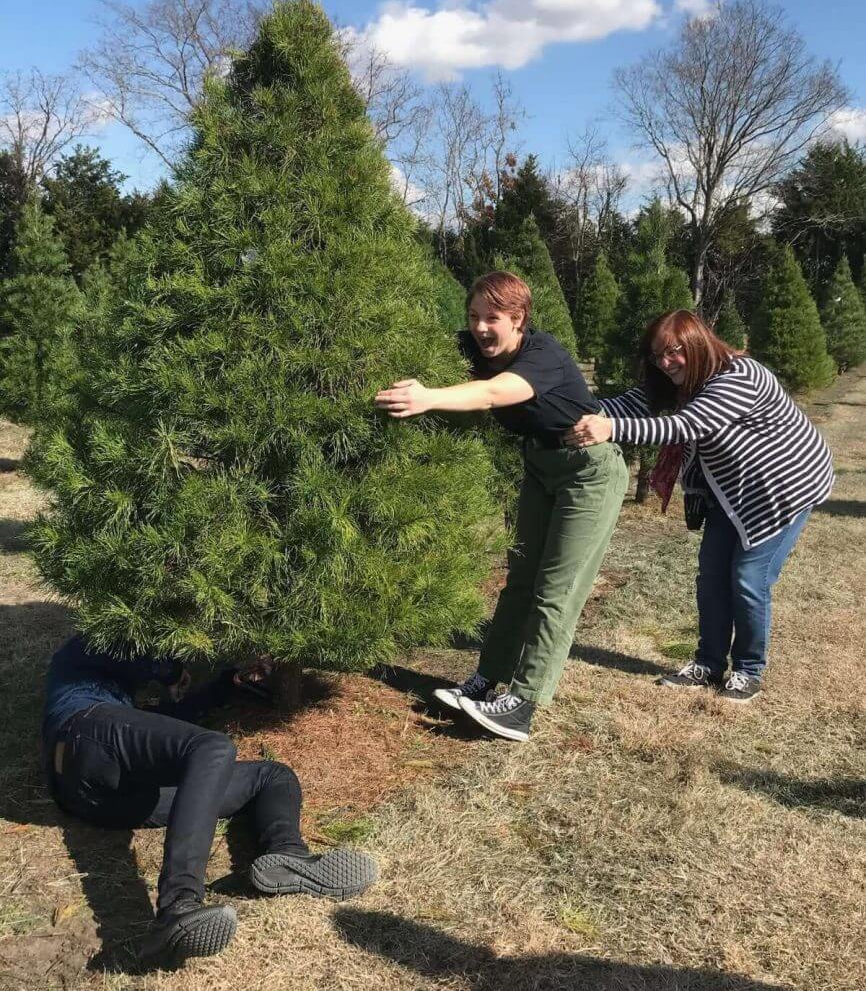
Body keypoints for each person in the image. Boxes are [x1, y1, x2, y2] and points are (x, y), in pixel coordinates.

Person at [375, 271, 628, 741]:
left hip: (588, 472)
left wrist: (428, 399)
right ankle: (486, 680)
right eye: (473, 316)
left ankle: (524, 703)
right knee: (519, 581)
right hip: (540, 465)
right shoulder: (474, 344)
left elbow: (494, 393)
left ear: (519, 319)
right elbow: (423, 346)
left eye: (493, 318)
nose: (480, 328)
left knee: (556, 588)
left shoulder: (543, 355)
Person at [42, 635, 378, 962]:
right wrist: (172, 671)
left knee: (272, 776)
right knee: (213, 747)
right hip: (78, 736)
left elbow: (168, 728)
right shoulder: (81, 652)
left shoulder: (125, 712)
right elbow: (124, 647)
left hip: (112, 804)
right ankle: (179, 903)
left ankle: (287, 855)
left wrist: (227, 684)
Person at [568, 309, 834, 703]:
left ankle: (748, 670)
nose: (665, 362)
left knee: (747, 578)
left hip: (784, 489)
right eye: (657, 355)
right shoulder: (678, 378)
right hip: (732, 492)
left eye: (674, 352)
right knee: (711, 575)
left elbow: (685, 425)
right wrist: (576, 409)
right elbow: (632, 402)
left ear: (698, 344)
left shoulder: (740, 376)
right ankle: (708, 663)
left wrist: (610, 429)